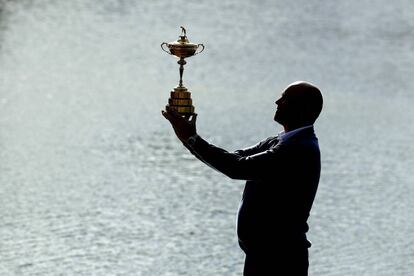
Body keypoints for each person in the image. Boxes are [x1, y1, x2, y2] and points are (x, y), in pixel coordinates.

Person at [162, 81, 323, 275]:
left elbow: (237, 167)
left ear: (303, 109)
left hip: (280, 259)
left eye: (285, 99)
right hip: (264, 256)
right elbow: (234, 157)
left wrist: (192, 139)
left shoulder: (298, 149)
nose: (277, 101)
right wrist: (188, 139)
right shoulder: (280, 140)